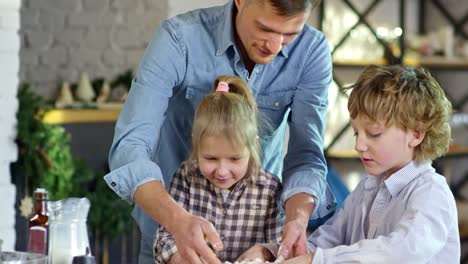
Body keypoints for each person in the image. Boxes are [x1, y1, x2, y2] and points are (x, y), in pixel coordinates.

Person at [104, 0, 337, 263]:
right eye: (265, 29)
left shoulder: (311, 51)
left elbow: (306, 155)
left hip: (256, 244)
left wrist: (295, 220)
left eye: (290, 35)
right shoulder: (180, 38)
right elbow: (130, 146)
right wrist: (177, 221)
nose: (274, 46)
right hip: (168, 233)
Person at [281, 64, 461, 263]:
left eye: (374, 134)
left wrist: (316, 260)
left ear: (416, 134)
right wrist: (272, 252)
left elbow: (398, 252)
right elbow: (324, 243)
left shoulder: (432, 193)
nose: (359, 145)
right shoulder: (367, 189)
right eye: (356, 133)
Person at [154, 76, 283, 263]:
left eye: (234, 159)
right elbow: (164, 239)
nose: (222, 171)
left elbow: (280, 244)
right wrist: (181, 258)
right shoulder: (186, 178)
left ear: (253, 145)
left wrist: (264, 251)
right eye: (211, 158)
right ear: (196, 144)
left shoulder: (270, 188)